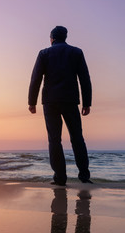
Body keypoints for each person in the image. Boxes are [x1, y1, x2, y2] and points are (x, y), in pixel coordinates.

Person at [28, 26, 92, 186]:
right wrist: (87, 103)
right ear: (65, 37)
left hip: (50, 101)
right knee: (77, 138)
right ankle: (84, 176)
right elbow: (85, 78)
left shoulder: (44, 53)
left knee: (54, 140)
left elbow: (35, 78)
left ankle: (60, 178)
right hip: (70, 100)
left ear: (52, 38)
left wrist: (32, 102)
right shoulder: (76, 52)